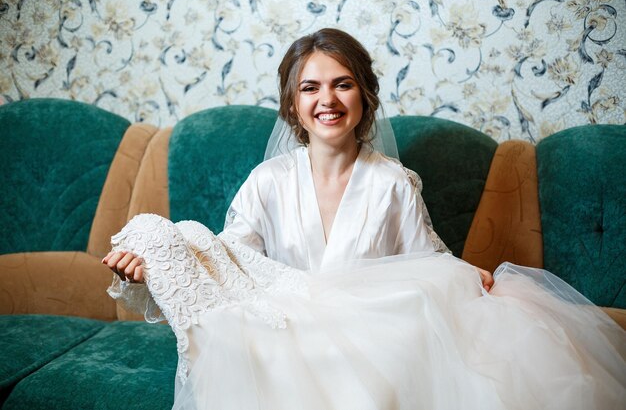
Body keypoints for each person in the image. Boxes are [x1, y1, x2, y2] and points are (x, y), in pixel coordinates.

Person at [103, 28, 625, 410]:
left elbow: (428, 263)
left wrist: (468, 278)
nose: (326, 100)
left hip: (371, 344)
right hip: (290, 339)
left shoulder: (393, 183)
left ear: (365, 96)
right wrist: (158, 267)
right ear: (292, 104)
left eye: (342, 84)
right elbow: (228, 264)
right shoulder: (268, 182)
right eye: (310, 88)